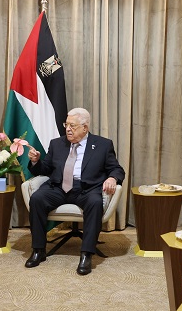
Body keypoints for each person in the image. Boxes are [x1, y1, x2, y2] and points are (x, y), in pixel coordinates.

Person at [24, 107, 126, 276]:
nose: (68, 129)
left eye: (73, 125)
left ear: (85, 127)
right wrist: (36, 161)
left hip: (86, 189)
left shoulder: (102, 145)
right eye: (66, 125)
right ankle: (38, 250)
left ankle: (86, 254)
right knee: (37, 199)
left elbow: (117, 169)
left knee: (95, 202)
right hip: (58, 187)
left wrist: (112, 178)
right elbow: (45, 169)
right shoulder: (57, 144)